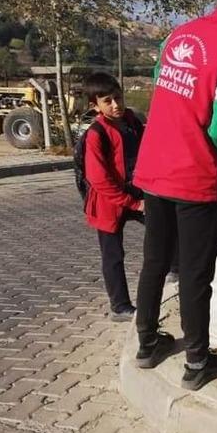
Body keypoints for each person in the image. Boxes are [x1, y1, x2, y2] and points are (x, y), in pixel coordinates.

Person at [131, 0, 217, 391]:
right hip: (193, 173)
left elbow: (165, 94)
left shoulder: (180, 34)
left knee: (155, 260)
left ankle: (147, 344)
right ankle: (196, 361)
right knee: (195, 272)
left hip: (155, 165)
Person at [81, 72, 145, 323]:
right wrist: (133, 203)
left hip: (137, 192)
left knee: (165, 229)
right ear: (94, 106)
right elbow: (99, 180)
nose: (116, 105)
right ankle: (119, 306)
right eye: (107, 101)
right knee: (113, 255)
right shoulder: (96, 134)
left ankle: (174, 272)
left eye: (118, 97)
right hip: (109, 203)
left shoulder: (133, 122)